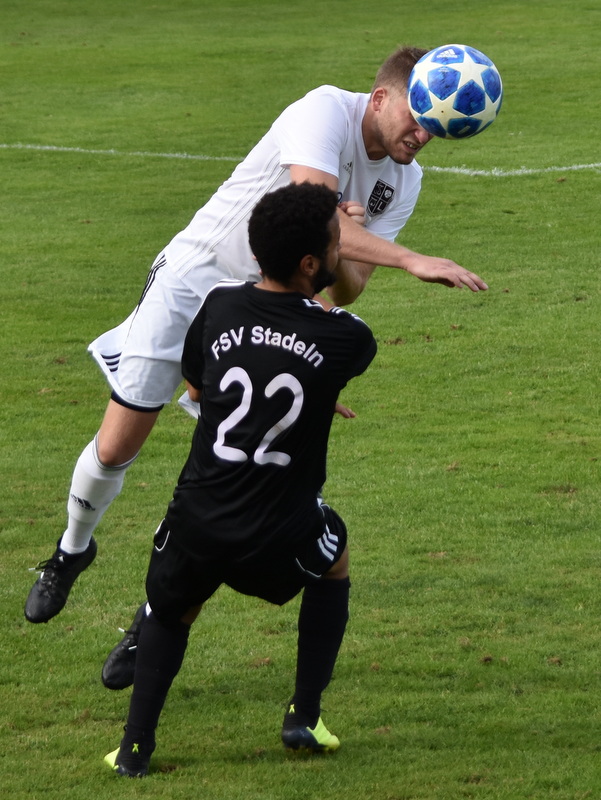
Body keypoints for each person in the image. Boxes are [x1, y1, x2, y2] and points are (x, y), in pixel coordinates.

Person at [25, 45, 488, 626]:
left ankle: (154, 619)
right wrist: (405, 257)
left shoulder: (403, 181)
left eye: (436, 129)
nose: (423, 136)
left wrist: (346, 242)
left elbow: (348, 289)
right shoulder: (324, 110)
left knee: (235, 476)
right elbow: (312, 211)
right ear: (380, 98)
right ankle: (71, 550)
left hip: (263, 309)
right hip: (193, 281)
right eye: (417, 119)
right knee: (119, 444)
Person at [103, 182, 377, 777]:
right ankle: (304, 716)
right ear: (312, 265)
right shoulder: (348, 337)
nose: (342, 250)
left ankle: (133, 749)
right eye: (337, 243)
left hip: (198, 520)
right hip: (280, 533)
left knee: (172, 611)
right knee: (335, 556)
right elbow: (320, 343)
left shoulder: (219, 305)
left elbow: (199, 387)